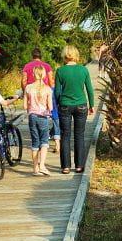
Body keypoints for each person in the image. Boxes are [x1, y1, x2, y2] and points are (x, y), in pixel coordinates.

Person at [54, 45, 94, 174]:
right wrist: (92, 105)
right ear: (76, 55)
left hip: (65, 105)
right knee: (79, 135)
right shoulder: (83, 70)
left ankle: (65, 166)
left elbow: (57, 92)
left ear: (65, 56)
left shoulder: (60, 71)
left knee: (65, 135)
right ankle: (79, 166)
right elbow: (89, 89)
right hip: (81, 105)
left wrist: (60, 102)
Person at [22, 48, 60, 152]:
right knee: (55, 117)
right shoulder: (47, 66)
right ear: (41, 56)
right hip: (46, 92)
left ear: (32, 56)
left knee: (33, 117)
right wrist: (53, 93)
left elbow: (24, 81)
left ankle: (37, 143)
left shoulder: (27, 66)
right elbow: (51, 81)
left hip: (31, 93)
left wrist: (25, 93)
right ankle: (57, 143)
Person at [24, 65, 54, 176]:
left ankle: (35, 169)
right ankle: (42, 166)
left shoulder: (28, 88)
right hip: (42, 117)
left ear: (33, 74)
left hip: (32, 117)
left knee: (35, 142)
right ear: (44, 75)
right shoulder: (47, 89)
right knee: (44, 142)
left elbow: (24, 106)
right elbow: (50, 107)